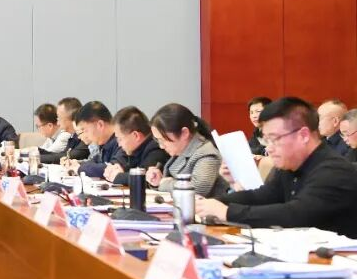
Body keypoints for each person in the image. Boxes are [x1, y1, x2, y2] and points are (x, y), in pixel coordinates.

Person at [197, 97, 357, 236]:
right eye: (267, 140)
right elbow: (262, 197)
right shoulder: (290, 165)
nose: (269, 148)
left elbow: (296, 215)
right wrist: (210, 204)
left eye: (274, 139)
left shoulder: (334, 171)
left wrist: (227, 212)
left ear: (303, 135)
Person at [145, 103, 226, 197]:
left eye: (163, 140)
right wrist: (157, 181)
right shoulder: (180, 151)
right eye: (158, 140)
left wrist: (164, 183)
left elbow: (197, 190)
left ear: (184, 133)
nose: (161, 146)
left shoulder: (207, 154)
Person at [103, 107, 169, 185]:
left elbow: (146, 178)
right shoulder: (131, 148)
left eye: (120, 139)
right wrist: (114, 168)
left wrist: (118, 176)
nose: (119, 144)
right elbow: (118, 162)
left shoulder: (156, 148)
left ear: (136, 136)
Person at [66, 102, 120, 178]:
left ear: (100, 125)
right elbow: (95, 161)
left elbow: (110, 169)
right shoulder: (104, 143)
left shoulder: (122, 141)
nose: (83, 135)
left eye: (84, 130)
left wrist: (79, 169)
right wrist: (78, 164)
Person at [40, 97, 88, 163]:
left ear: (72, 118)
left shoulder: (86, 136)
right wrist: (36, 151)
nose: (58, 123)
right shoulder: (73, 136)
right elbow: (62, 154)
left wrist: (34, 157)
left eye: (59, 118)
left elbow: (66, 156)